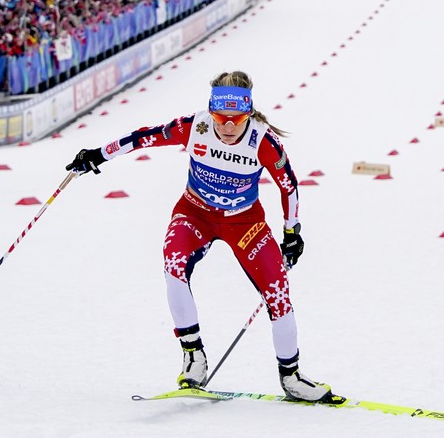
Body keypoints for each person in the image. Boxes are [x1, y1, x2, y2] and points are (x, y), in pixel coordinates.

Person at [65, 71, 336, 403]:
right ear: (212, 111)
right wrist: (99, 154)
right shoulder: (197, 126)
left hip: (245, 223)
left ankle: (291, 376)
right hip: (196, 214)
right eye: (221, 118)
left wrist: (292, 232)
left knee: (278, 292)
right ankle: (194, 357)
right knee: (173, 263)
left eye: (236, 119)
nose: (228, 126)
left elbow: (289, 186)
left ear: (248, 113)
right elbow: (144, 137)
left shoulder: (263, 141)